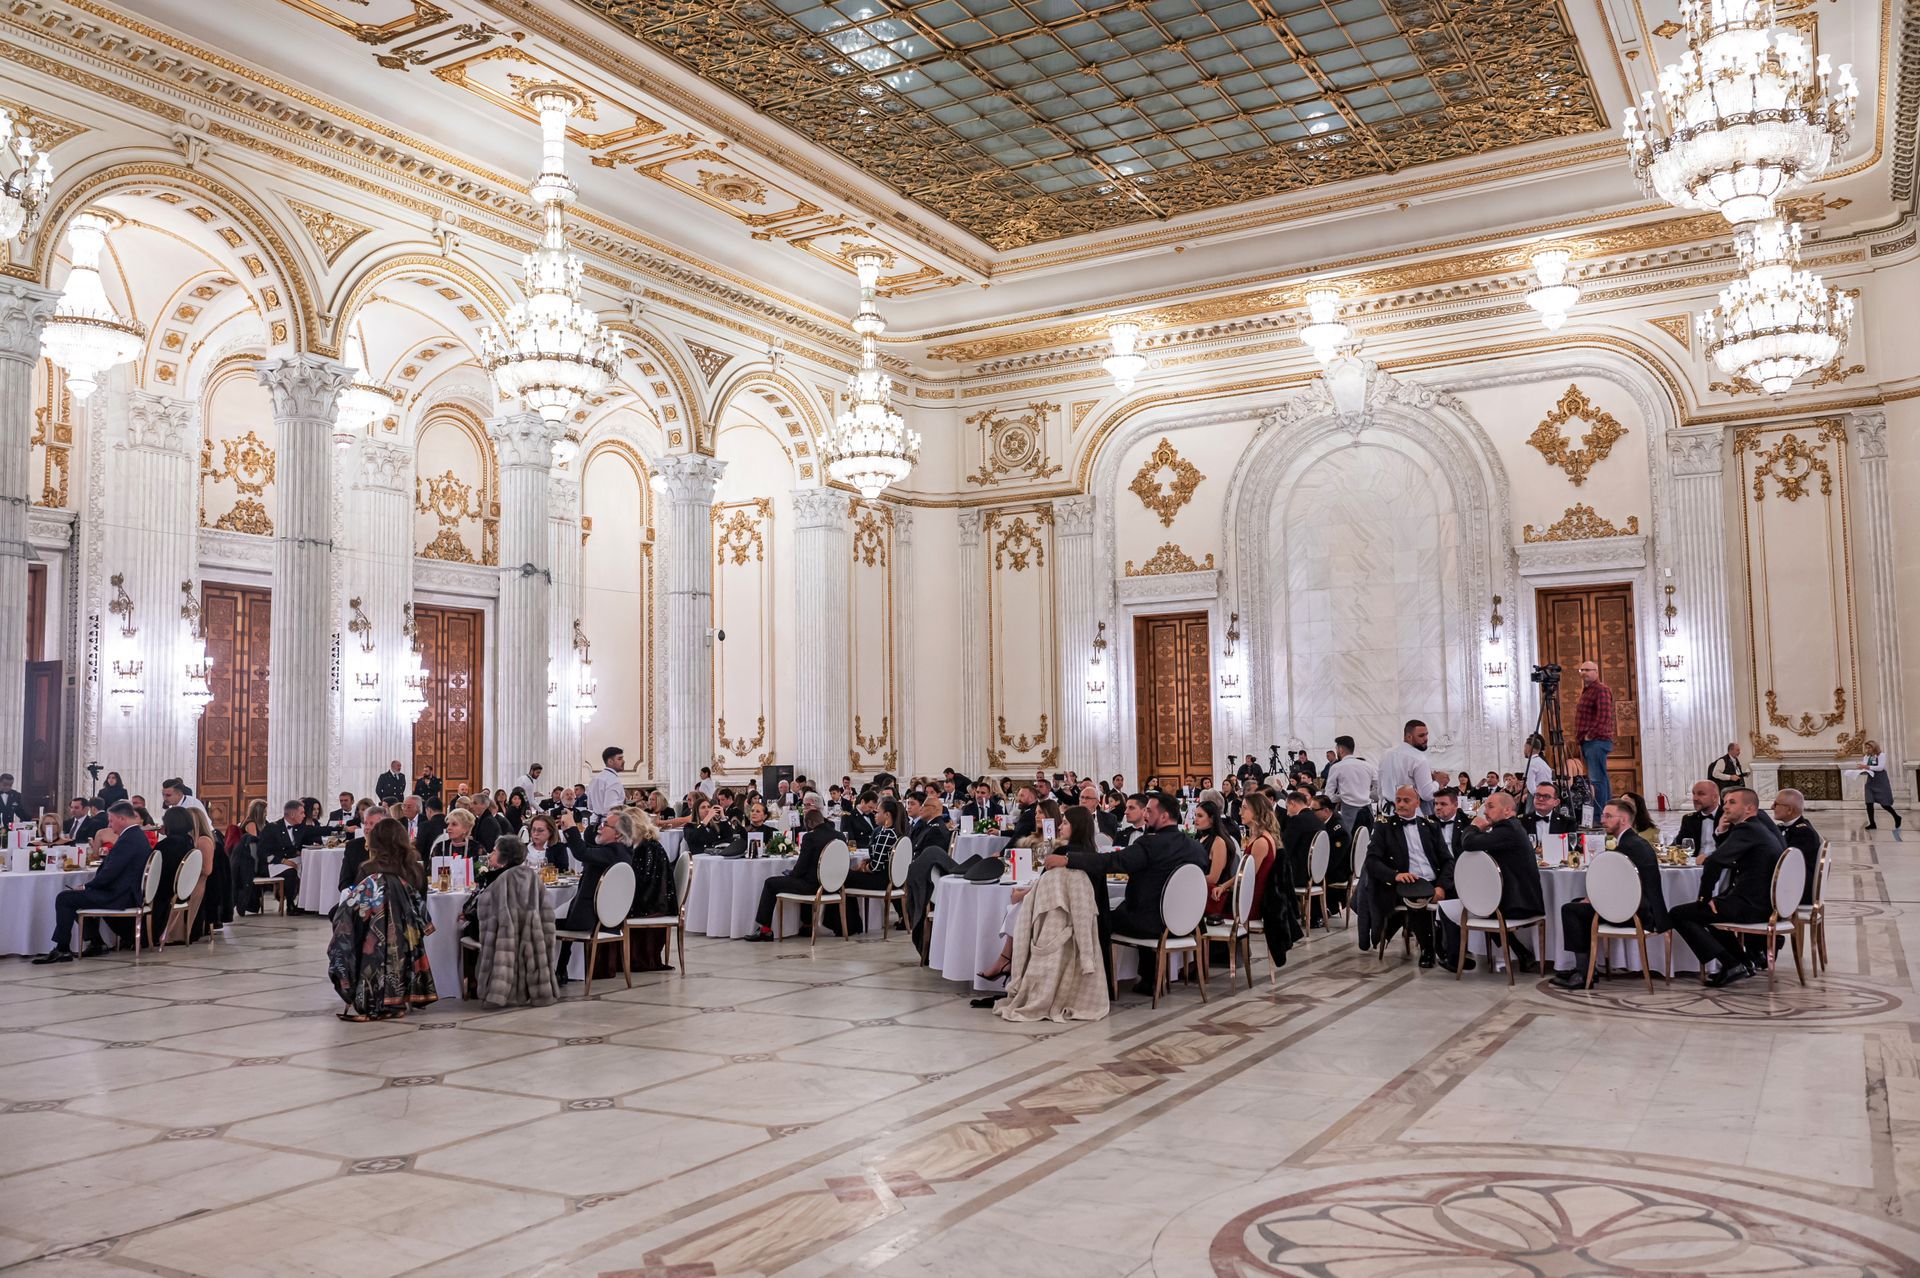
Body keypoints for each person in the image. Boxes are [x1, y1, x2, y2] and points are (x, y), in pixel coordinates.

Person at [1045, 791, 1204, 996]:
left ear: (1164, 816)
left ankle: (1099, 983)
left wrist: (1069, 859)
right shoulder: (1195, 847)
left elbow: (1113, 862)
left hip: (1152, 924)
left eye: (1149, 811)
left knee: (1101, 918)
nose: (1145, 814)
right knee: (1135, 907)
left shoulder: (1150, 844)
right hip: (1189, 925)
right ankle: (1149, 978)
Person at [1668, 787, 1787, 986]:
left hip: (1752, 905)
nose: (1725, 807)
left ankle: (1731, 963)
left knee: (1679, 914)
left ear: (1749, 808)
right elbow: (1732, 856)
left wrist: (1704, 899)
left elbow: (1715, 862)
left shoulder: (1747, 829)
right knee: (1712, 913)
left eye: (1732, 802)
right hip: (1765, 902)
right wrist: (1722, 833)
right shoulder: (1757, 827)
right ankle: (1743, 963)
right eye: (1725, 802)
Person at [1551, 798, 1672, 989]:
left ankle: (1582, 974)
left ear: (1623, 820)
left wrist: (1593, 899)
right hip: (1644, 909)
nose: (1603, 820)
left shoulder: (1628, 846)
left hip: (1639, 914)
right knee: (1577, 904)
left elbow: (1615, 883)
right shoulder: (1633, 841)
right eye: (1603, 815)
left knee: (1570, 909)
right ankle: (1588, 969)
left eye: (1608, 816)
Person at [328, 819, 435, 1020]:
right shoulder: (417, 870)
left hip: (374, 937)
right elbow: (420, 904)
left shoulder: (368, 869)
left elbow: (360, 908)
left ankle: (368, 992)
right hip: (408, 938)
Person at [36, 802, 152, 962]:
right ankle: (96, 943)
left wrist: (87, 886)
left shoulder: (129, 839)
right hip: (124, 891)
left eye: (111, 821)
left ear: (122, 819)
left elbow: (111, 872)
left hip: (120, 895)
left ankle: (62, 948)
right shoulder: (136, 835)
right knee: (75, 897)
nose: (109, 825)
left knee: (65, 899)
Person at [1361, 785, 1454, 967]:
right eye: (1398, 800)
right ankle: (1430, 950)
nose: (1401, 804)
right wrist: (1395, 875)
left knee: (1461, 896)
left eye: (1406, 800)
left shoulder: (1430, 826)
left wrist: (1441, 886)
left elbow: (1447, 860)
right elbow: (1371, 861)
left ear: (1417, 803)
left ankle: (1456, 950)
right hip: (1403, 883)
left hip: (1432, 881)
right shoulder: (1384, 827)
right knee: (1416, 897)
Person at [1453, 789, 1545, 972]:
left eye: (1490, 807)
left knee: (1457, 909)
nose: (1485, 812)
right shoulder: (1511, 827)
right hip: (1519, 899)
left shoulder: (1508, 829)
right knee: (1475, 906)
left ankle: (1453, 958)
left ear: (1508, 810)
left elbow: (1469, 843)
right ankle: (1521, 953)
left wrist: (1474, 826)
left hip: (1519, 903)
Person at [466, 835, 558, 1008]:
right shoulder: (530, 875)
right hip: (528, 934)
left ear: (504, 858)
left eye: (494, 851)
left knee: (461, 931)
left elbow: (485, 913)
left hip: (501, 934)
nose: (490, 855)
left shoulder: (497, 880)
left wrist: (467, 914)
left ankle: (468, 985)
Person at [556, 807, 639, 986]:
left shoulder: (614, 853)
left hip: (591, 919)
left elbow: (582, 853)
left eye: (605, 825)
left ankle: (548, 971)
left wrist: (572, 827)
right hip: (600, 917)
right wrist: (569, 829)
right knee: (559, 914)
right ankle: (560, 969)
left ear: (618, 834)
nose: (600, 828)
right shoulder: (619, 851)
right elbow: (587, 848)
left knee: (539, 921)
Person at [746, 797, 848, 941]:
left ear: (809, 823)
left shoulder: (810, 838)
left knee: (771, 883)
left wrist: (790, 874)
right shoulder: (840, 836)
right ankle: (807, 925)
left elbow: (800, 869)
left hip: (814, 887)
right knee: (805, 878)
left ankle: (765, 930)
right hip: (834, 886)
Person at [1573, 659, 1615, 824]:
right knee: (1599, 779)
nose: (1584, 673)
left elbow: (1604, 717)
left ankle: (1599, 817)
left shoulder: (1601, 689)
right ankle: (1607, 813)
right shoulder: (1587, 691)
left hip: (1597, 741)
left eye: (1587, 670)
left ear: (1596, 672)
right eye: (1581, 670)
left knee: (1597, 780)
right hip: (1590, 742)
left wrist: (1590, 735)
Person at [260, 800, 318, 915]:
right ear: (292, 814)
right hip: (270, 864)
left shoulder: (298, 827)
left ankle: (305, 903)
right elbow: (262, 852)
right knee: (291, 871)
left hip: (287, 860)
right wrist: (283, 861)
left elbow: (317, 831)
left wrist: (342, 828)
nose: (304, 815)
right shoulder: (272, 828)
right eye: (302, 813)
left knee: (308, 866)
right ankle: (290, 905)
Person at [1769, 788, 1824, 907]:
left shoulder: (1804, 833)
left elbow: (1788, 863)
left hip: (1796, 891)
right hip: (1791, 885)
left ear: (1789, 809)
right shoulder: (1791, 827)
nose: (1772, 807)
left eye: (1776, 804)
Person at [1377, 719, 1444, 814]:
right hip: (1410, 814)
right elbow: (1427, 794)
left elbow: (1380, 787)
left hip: (1387, 812)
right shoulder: (1419, 759)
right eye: (1421, 736)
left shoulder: (1386, 754)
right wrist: (1438, 782)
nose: (1426, 739)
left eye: (1426, 734)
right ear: (1409, 737)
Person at [1323, 736, 1376, 833]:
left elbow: (1329, 796)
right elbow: (1379, 789)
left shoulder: (1337, 767)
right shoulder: (1368, 766)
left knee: (1349, 840)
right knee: (1366, 839)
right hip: (1368, 812)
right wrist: (1366, 794)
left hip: (1349, 814)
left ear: (1340, 749)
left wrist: (1342, 796)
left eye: (1336, 749)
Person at [1858, 742, 1902, 831]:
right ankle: (1872, 823)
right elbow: (1866, 768)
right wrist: (1860, 771)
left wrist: (1866, 767)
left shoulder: (1881, 755)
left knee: (1884, 803)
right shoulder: (1866, 757)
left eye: (1869, 747)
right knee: (1869, 802)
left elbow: (1880, 767)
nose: (1867, 749)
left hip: (1881, 781)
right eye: (1866, 748)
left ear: (1874, 747)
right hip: (1870, 781)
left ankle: (1897, 817)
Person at [1676, 781, 1723, 851]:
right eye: (1694, 794)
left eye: (1701, 794)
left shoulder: (1728, 818)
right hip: (1694, 858)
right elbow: (1678, 844)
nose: (1695, 798)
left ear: (1715, 797)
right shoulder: (1689, 819)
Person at [587, 746, 626, 821]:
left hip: (594, 822)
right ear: (610, 761)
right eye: (619, 759)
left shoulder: (594, 779)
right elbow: (611, 809)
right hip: (609, 823)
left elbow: (590, 806)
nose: (623, 761)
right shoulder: (613, 781)